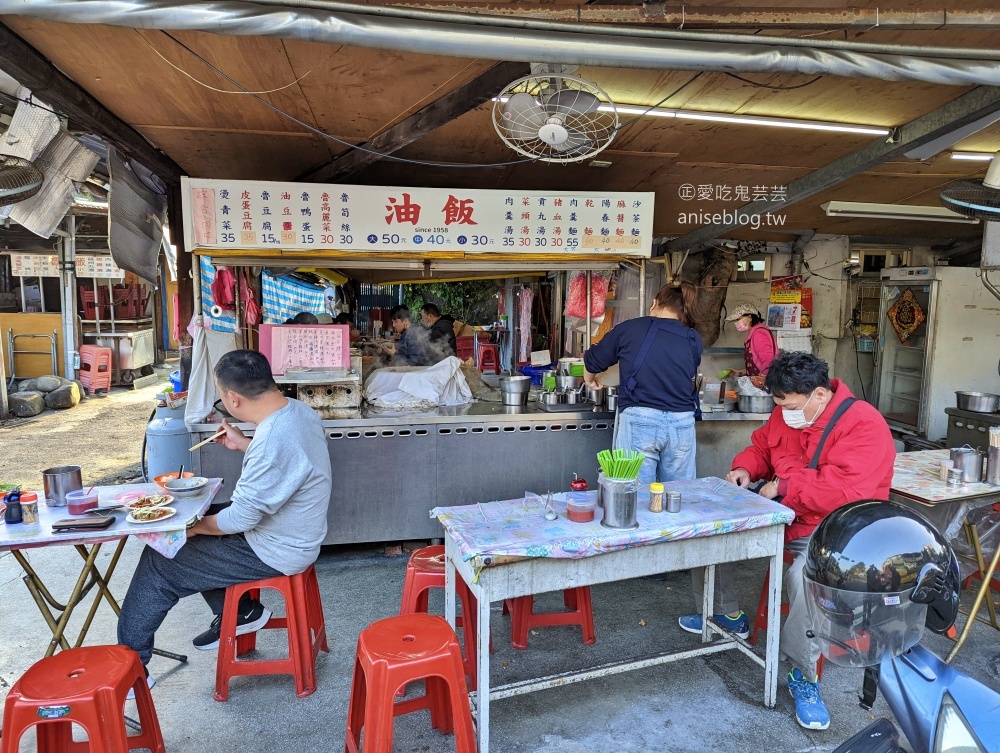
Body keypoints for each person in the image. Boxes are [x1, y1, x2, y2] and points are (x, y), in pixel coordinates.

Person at [677, 351, 895, 731]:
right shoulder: (787, 410)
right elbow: (762, 447)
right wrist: (746, 468)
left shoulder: (864, 425)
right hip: (782, 514)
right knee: (710, 531)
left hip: (829, 529)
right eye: (779, 405)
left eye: (790, 405)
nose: (784, 412)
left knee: (803, 580)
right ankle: (727, 615)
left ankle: (804, 677)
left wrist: (786, 485)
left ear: (820, 395)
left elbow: (846, 491)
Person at [117, 349, 333, 687]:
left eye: (220, 396)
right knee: (201, 521)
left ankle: (131, 672)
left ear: (233, 398)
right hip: (290, 532)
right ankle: (243, 611)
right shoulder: (298, 412)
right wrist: (244, 443)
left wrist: (190, 530)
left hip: (279, 548)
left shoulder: (273, 440)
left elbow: (241, 518)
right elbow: (289, 466)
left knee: (163, 556)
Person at [583, 281, 702, 487]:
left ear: (655, 303)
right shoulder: (693, 338)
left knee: (635, 496)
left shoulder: (630, 328)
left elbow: (594, 359)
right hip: (682, 423)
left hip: (641, 420)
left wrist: (589, 380)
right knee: (679, 495)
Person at [725, 303, 777, 380]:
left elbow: (768, 361)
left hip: (765, 385)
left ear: (749, 317)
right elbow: (757, 364)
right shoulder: (756, 332)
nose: (736, 323)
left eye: (738, 319)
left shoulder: (759, 334)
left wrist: (761, 380)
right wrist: (739, 373)